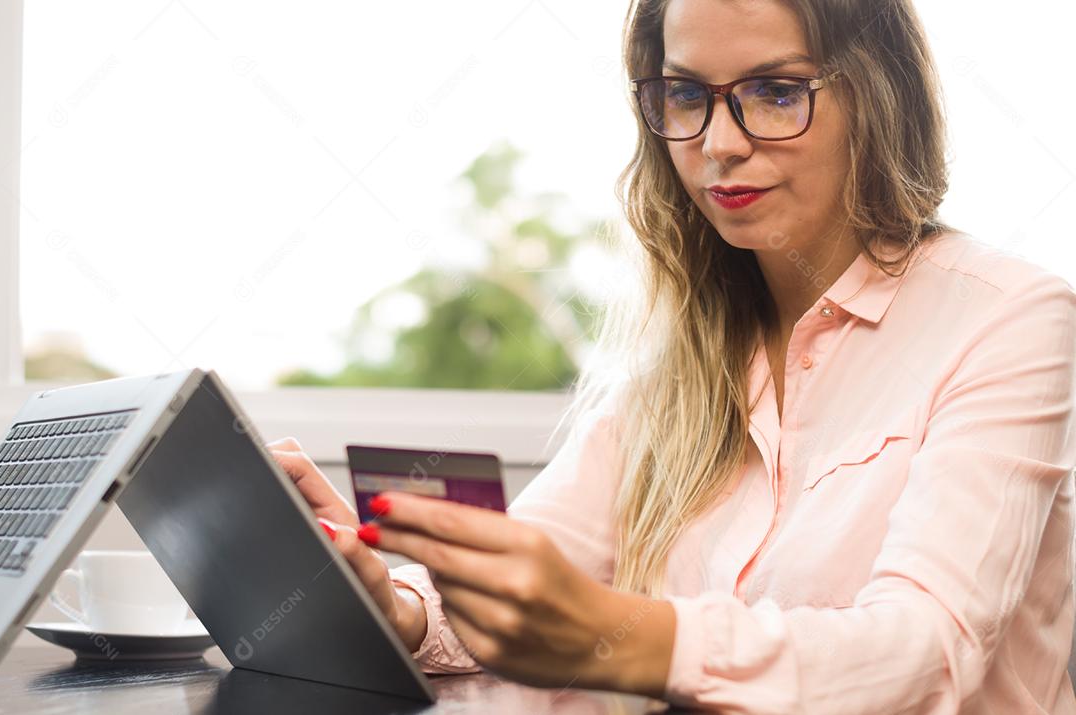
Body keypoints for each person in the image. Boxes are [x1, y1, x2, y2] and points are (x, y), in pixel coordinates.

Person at [268, 0, 1076, 711]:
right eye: (686, 95)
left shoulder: (1009, 318)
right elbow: (536, 570)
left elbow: (924, 653)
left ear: (880, 95)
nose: (719, 143)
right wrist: (397, 602)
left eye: (775, 91)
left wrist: (623, 641)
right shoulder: (679, 369)